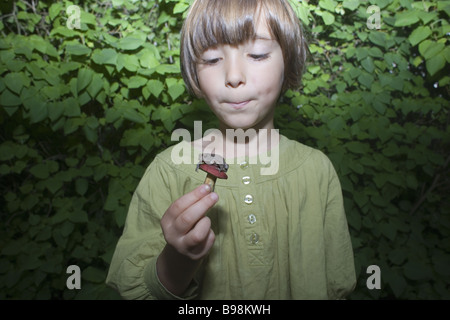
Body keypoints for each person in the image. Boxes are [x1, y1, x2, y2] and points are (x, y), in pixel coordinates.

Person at [106, 0, 356, 299]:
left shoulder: (316, 170)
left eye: (258, 54)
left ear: (287, 60)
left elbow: (336, 285)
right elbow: (135, 289)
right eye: (211, 59)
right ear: (194, 72)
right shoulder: (168, 169)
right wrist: (179, 261)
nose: (233, 76)